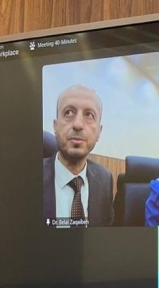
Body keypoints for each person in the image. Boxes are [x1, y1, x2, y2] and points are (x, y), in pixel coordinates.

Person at [43, 84, 114, 227]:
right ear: (55, 126)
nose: (77, 124)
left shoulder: (105, 179)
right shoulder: (27, 176)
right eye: (68, 112)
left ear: (99, 132)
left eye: (89, 115)